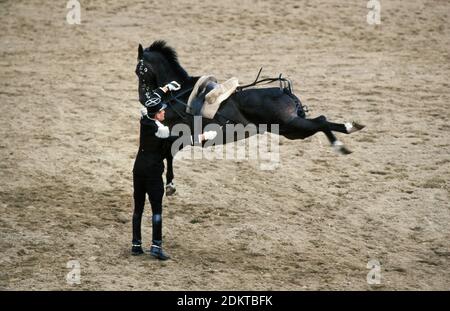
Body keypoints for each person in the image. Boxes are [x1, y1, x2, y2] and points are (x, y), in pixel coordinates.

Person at [132, 81, 216, 260]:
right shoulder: (160, 132)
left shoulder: (145, 119)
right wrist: (203, 136)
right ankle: (156, 246)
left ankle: (136, 244)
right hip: (153, 174)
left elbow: (151, 98)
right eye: (162, 111)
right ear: (157, 115)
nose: (165, 112)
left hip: (138, 169)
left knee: (138, 208)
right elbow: (181, 139)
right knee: (156, 211)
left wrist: (166, 88)